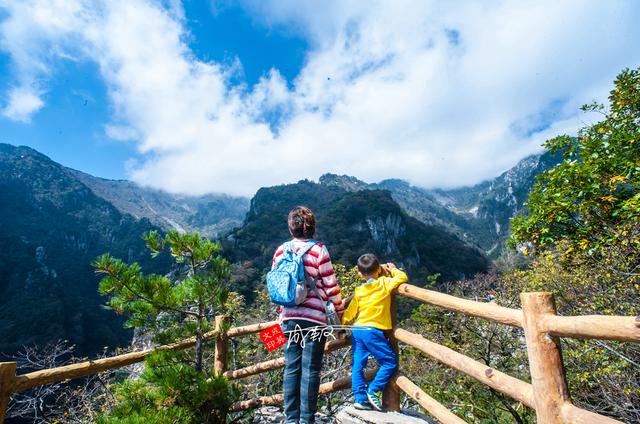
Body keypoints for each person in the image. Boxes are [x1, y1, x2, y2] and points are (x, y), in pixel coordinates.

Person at [272, 206, 344, 424]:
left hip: (289, 319)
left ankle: (291, 419)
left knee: (291, 367)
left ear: (291, 226)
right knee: (310, 370)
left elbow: (278, 287)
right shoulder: (319, 250)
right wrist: (339, 314)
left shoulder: (280, 251)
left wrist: (281, 315)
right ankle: (306, 420)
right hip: (314, 321)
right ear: (312, 227)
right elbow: (331, 287)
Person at [341, 253, 408, 411]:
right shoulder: (384, 283)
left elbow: (350, 312)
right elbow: (402, 277)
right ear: (378, 270)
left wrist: (343, 325)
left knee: (358, 365)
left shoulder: (359, 290)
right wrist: (393, 269)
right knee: (390, 361)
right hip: (373, 330)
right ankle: (375, 390)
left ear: (359, 274)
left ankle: (360, 399)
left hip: (358, 329)